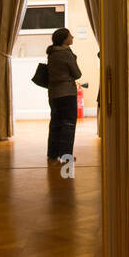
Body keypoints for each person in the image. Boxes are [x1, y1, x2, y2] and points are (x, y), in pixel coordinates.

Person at [46, 27, 81, 163]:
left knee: (55, 122)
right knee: (68, 123)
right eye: (70, 35)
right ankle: (66, 154)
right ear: (64, 39)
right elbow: (77, 74)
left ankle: (53, 153)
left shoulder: (52, 53)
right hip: (67, 93)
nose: (72, 37)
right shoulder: (66, 54)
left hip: (53, 94)